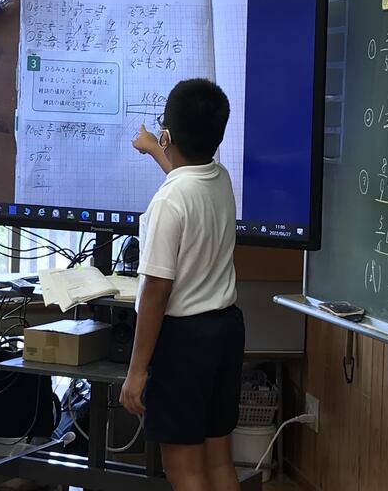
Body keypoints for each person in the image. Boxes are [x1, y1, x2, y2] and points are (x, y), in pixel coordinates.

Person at [119, 79, 245, 491]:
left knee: (185, 470)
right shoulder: (220, 178)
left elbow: (156, 292)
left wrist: (136, 371)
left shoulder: (167, 203)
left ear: (167, 135)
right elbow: (186, 180)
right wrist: (155, 149)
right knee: (218, 460)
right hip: (224, 331)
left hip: (183, 342)